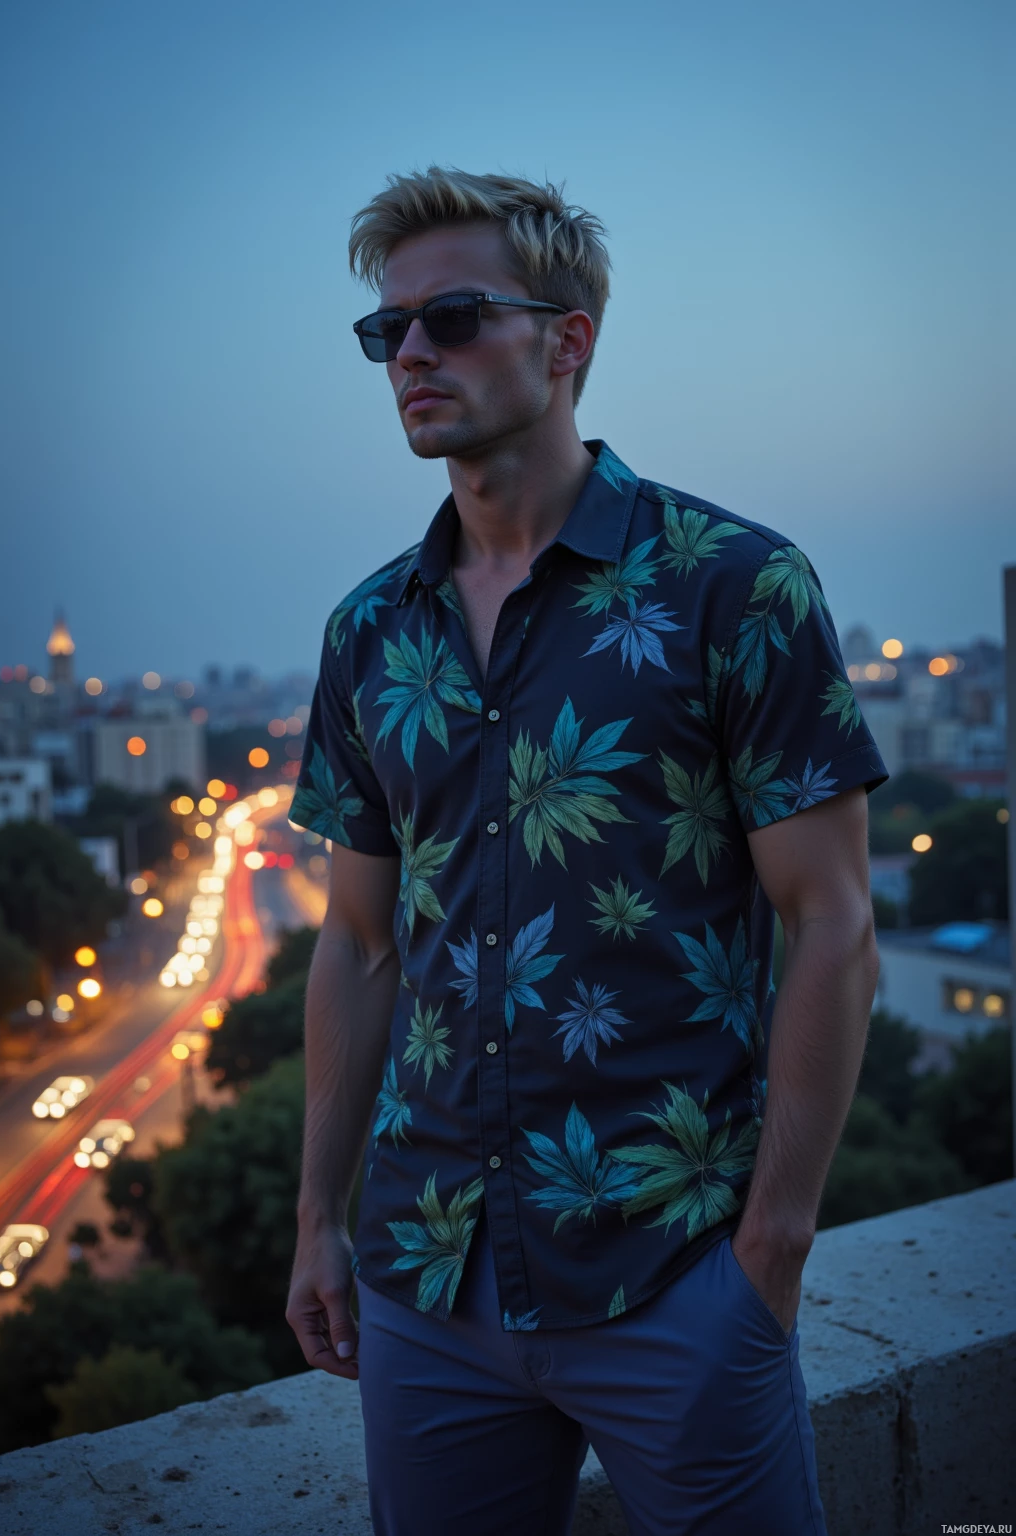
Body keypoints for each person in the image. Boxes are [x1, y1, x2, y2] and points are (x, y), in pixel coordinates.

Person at [285, 168, 886, 1536]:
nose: (413, 355)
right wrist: (321, 1217)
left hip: (673, 1270)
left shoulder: (734, 585)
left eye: (452, 316)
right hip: (427, 1279)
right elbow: (361, 941)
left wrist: (773, 1247)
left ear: (570, 341)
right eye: (389, 333)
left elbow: (837, 924)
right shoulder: (371, 630)